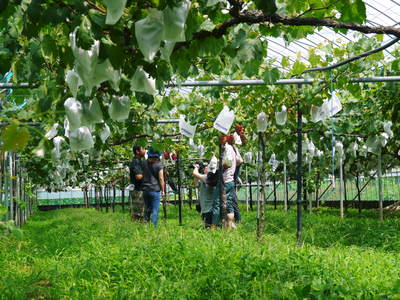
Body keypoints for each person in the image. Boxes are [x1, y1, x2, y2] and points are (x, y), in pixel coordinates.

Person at [211, 135, 237, 229]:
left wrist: (220, 169)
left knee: (217, 203)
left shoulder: (228, 148)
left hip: (225, 180)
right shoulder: (228, 148)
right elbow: (237, 162)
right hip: (229, 180)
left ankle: (213, 227)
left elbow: (228, 163)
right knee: (228, 203)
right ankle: (229, 227)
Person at [140, 147, 165, 226]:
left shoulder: (143, 163)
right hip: (155, 190)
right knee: (155, 210)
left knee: (147, 209)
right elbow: (161, 178)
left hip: (145, 190)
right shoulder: (159, 165)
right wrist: (163, 190)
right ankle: (154, 227)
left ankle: (146, 225)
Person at [192, 162, 215, 228]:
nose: (205, 168)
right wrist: (196, 175)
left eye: (206, 167)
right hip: (204, 206)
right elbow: (196, 184)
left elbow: (195, 173)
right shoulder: (203, 177)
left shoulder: (208, 177)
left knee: (208, 226)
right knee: (206, 225)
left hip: (209, 207)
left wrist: (196, 167)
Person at [129, 145, 145, 221]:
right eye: (143, 149)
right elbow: (138, 176)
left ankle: (137, 229)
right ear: (137, 151)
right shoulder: (136, 162)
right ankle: (136, 229)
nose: (145, 151)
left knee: (139, 212)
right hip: (138, 190)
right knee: (139, 214)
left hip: (139, 189)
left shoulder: (139, 161)